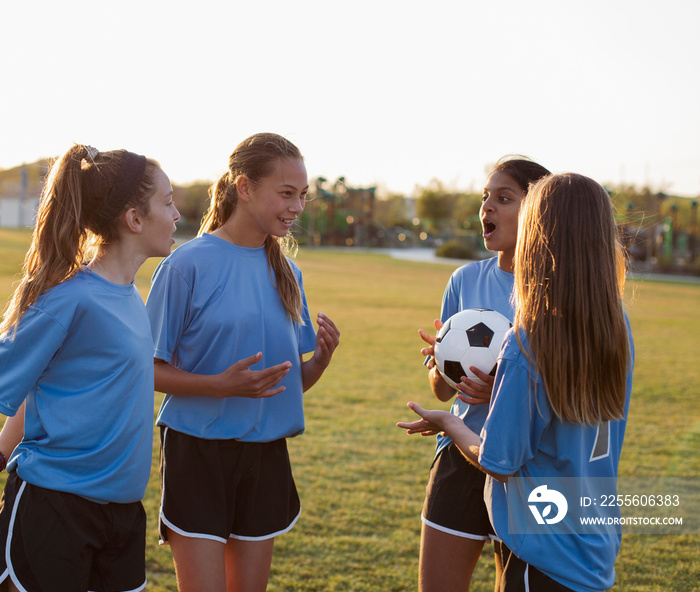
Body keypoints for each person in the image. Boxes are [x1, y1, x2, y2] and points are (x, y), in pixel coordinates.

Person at [399, 172, 634, 592]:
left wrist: (450, 423)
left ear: (537, 230)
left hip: (544, 556)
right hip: (591, 547)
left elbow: (497, 462)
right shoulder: (615, 324)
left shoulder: (529, 335)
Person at [146, 132, 340, 592]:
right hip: (198, 451)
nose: (297, 207)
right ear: (245, 187)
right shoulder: (185, 265)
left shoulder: (288, 272)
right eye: (286, 193)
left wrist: (320, 363)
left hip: (266, 454)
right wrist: (219, 386)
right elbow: (146, 369)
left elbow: (281, 384)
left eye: (303, 196)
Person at [0, 144, 180, 592]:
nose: (177, 214)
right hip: (54, 508)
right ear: (134, 220)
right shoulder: (70, 298)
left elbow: (46, 385)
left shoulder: (129, 295)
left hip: (121, 512)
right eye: (168, 201)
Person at [416, 157, 550, 591]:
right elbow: (440, 392)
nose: (487, 208)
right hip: (460, 452)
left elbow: (556, 391)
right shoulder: (464, 279)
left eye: (503, 198)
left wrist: (505, 390)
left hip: (525, 464)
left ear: (536, 211)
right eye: (485, 198)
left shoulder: (554, 292)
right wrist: (440, 363)